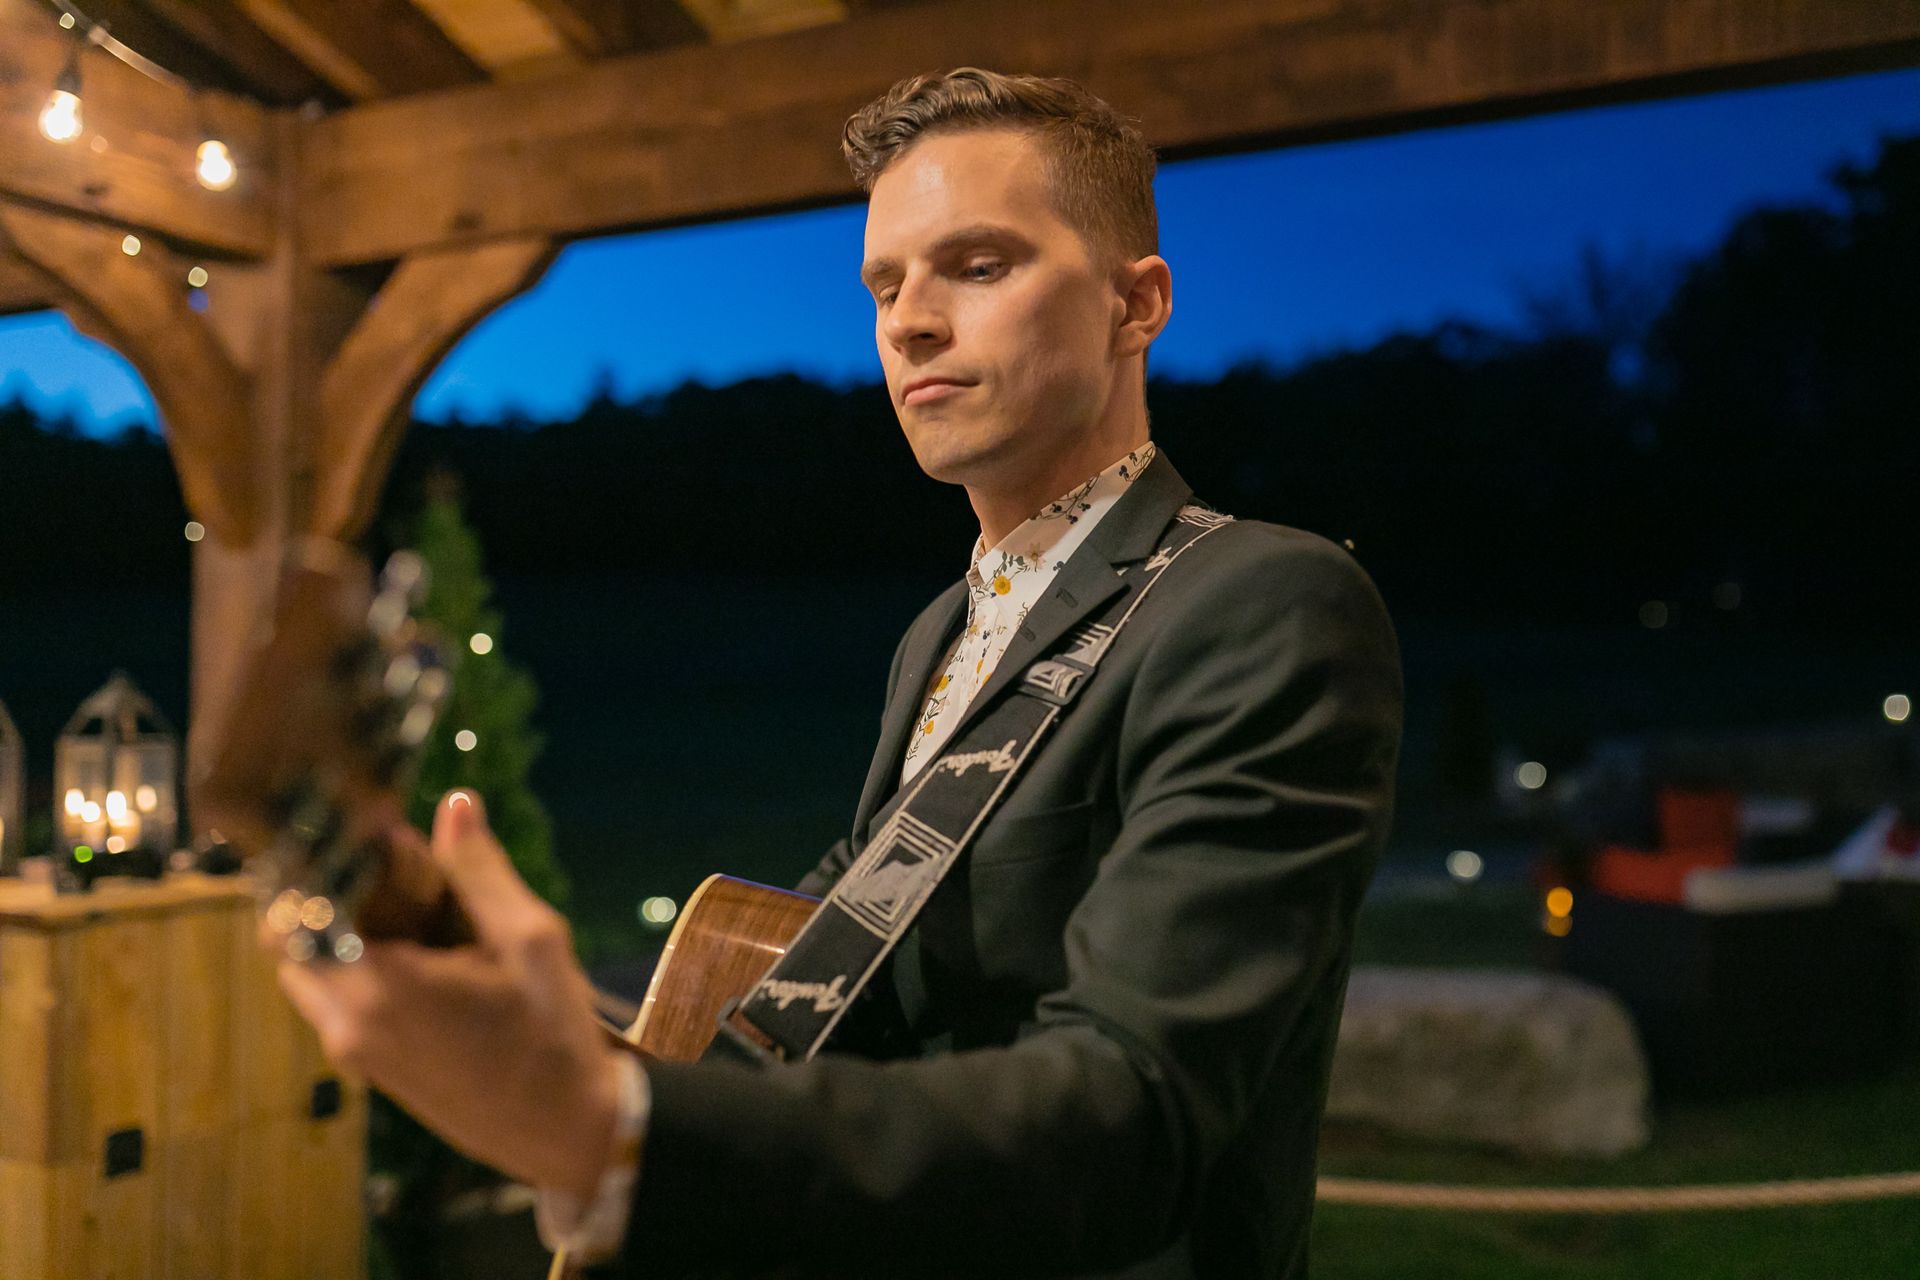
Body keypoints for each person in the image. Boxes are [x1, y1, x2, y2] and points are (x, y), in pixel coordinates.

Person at [274, 68, 1403, 1278]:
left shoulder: (1262, 603)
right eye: (886, 283)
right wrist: (533, 1018)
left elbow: (1133, 1117)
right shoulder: (940, 632)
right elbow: (819, 964)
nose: (911, 320)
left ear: (1138, 306)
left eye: (977, 266)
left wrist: (615, 1126)